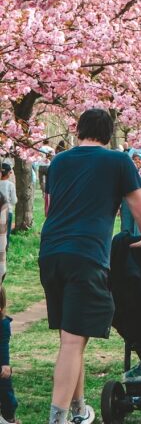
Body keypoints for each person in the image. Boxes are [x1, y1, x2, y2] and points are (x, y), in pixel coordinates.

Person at [39, 108, 141, 424]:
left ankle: (79, 410)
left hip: (51, 253)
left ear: (78, 131)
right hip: (86, 254)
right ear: (109, 134)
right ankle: (57, 418)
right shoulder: (118, 161)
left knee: (71, 339)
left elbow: (51, 206)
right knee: (73, 341)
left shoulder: (59, 161)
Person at [0, 285, 18, 424]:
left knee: (5, 390)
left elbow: (3, 344)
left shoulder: (3, 324)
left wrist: (5, 364)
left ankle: (9, 417)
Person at [0, 167, 16, 251]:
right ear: (9, 173)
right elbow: (14, 201)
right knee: (6, 233)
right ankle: (5, 250)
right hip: (7, 211)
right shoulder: (10, 185)